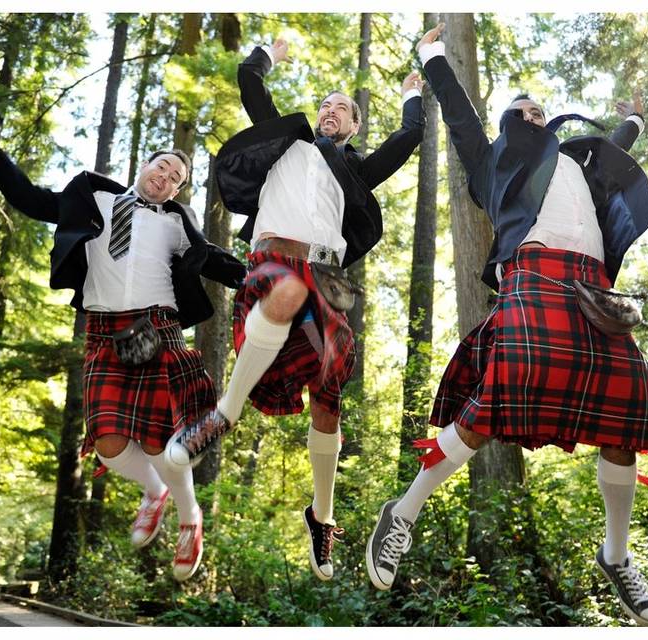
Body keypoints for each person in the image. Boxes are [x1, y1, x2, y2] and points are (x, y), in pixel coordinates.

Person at [365, 24, 648, 627]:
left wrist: (632, 123)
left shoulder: (576, 165)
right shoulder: (490, 160)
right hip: (530, 279)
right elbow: (457, 111)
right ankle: (402, 512)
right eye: (521, 109)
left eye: (539, 109)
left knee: (628, 409)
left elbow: (612, 156)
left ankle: (616, 555)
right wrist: (431, 56)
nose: (533, 113)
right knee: (500, 392)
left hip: (594, 292)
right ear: (508, 122)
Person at [164, 37, 425, 582]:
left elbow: (410, 137)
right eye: (325, 105)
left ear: (354, 126)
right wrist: (268, 57)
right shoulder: (285, 142)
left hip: (327, 279)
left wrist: (412, 95)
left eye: (343, 109)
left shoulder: (356, 170)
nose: (331, 112)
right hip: (271, 263)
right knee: (284, 292)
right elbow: (249, 81)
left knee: (327, 404)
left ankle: (322, 516)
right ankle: (223, 415)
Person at [0, 123, 245, 582]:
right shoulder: (92, 200)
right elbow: (32, 199)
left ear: (178, 189)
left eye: (177, 177)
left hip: (157, 326)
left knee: (160, 441)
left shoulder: (177, 223)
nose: (167, 177)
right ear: (145, 166)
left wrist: (257, 273)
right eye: (163, 167)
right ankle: (153, 491)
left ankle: (189, 516)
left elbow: (214, 258)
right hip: (105, 331)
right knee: (109, 443)